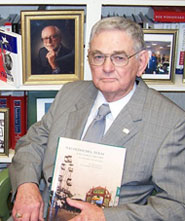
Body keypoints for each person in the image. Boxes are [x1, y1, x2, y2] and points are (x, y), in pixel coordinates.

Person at [9, 16, 185, 221]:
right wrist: (26, 186)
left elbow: (177, 205)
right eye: (98, 57)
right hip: (40, 213)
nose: (107, 68)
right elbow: (31, 143)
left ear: (142, 62)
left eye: (119, 58)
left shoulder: (171, 122)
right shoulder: (70, 93)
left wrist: (108, 217)